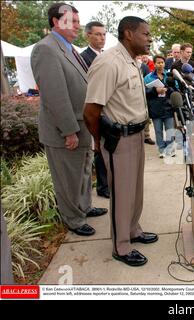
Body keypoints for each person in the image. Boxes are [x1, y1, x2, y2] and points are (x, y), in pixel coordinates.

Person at [83, 16, 158, 267]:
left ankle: (133, 230)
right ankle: (121, 246)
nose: (150, 39)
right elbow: (91, 110)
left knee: (135, 191)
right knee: (122, 194)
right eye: (146, 34)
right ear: (128, 34)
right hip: (119, 139)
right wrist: (98, 141)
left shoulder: (132, 62)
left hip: (136, 134)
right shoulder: (109, 62)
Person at [31, 2, 107, 237]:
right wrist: (69, 131)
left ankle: (83, 207)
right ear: (56, 21)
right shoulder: (46, 49)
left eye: (77, 21)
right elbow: (56, 96)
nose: (77, 25)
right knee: (68, 179)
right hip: (65, 131)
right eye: (71, 21)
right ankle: (73, 219)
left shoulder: (67, 48)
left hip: (80, 126)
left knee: (83, 174)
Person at [80, 21, 110, 199]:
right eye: (98, 34)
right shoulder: (84, 57)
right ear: (88, 35)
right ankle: (102, 186)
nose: (102, 38)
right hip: (94, 110)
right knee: (98, 149)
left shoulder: (106, 56)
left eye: (104, 34)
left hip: (109, 110)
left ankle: (109, 182)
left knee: (108, 149)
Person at [144, 55, 175, 158]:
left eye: (162, 62)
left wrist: (168, 89)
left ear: (164, 63)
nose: (160, 64)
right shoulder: (148, 77)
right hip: (155, 107)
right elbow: (144, 92)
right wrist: (155, 90)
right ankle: (161, 149)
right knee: (158, 131)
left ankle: (170, 148)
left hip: (167, 106)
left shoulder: (168, 76)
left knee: (170, 129)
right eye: (158, 62)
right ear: (154, 63)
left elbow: (175, 89)